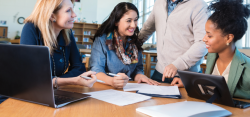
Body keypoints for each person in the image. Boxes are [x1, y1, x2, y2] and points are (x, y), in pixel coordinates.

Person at [20, 0, 97, 88]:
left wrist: (56, 82)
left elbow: (79, 68)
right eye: (68, 10)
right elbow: (30, 77)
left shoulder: (67, 32)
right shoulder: (30, 28)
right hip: (24, 92)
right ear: (52, 16)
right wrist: (70, 80)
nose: (74, 15)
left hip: (51, 91)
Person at [138, 0, 209, 87]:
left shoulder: (199, 5)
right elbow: (147, 29)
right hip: (160, 73)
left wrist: (177, 64)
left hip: (185, 76)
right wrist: (128, 44)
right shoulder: (159, 2)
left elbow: (203, 42)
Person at [90, 2, 160, 89]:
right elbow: (96, 70)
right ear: (116, 22)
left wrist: (141, 76)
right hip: (106, 89)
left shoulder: (135, 42)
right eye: (129, 20)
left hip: (129, 90)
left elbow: (138, 69)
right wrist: (112, 81)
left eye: (135, 20)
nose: (133, 25)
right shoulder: (102, 40)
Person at [203, 0, 250, 99]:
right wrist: (189, 83)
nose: (204, 39)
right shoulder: (211, 57)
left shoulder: (247, 69)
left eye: (209, 36)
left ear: (228, 38)